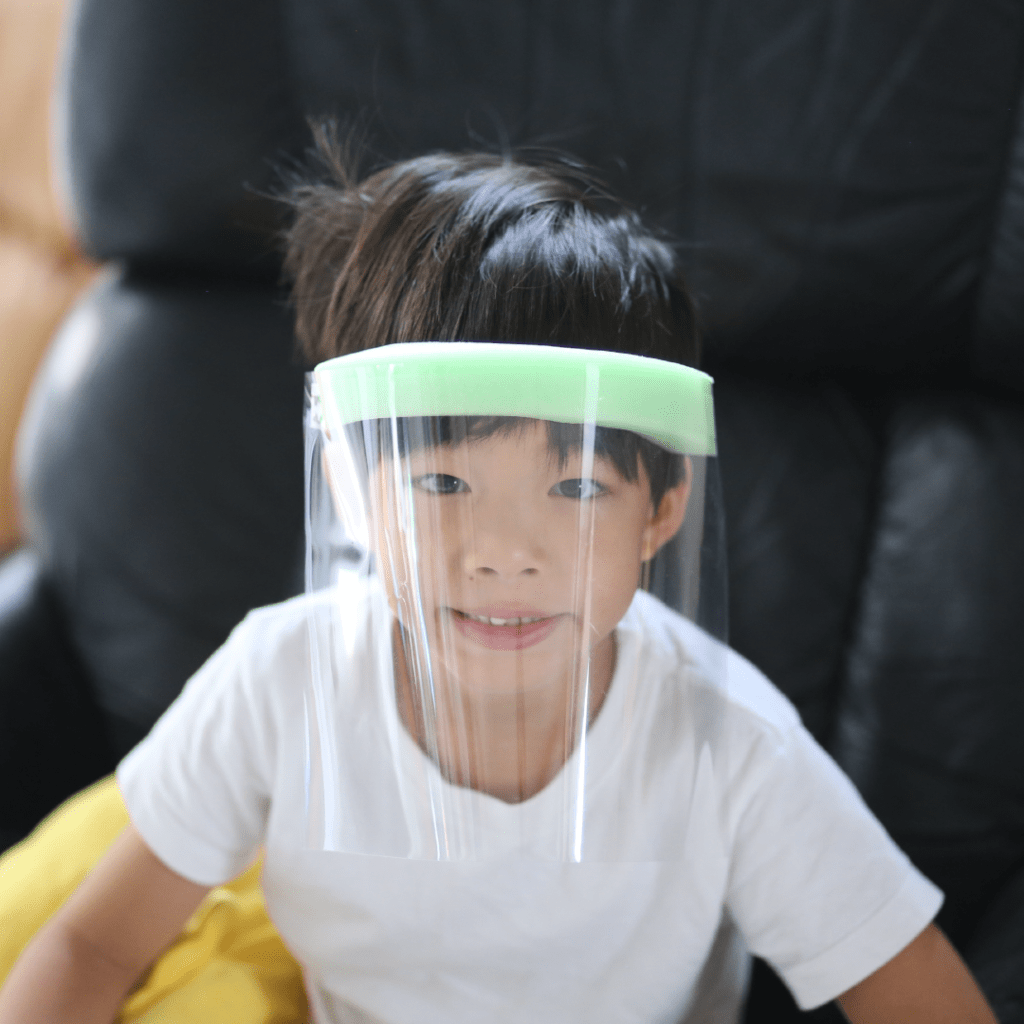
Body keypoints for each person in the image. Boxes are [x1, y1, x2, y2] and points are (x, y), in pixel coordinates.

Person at [0, 131, 999, 1024]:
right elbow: (93, 946)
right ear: (349, 491)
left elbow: (919, 995)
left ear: (662, 510)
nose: (505, 553)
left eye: (576, 486)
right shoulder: (280, 680)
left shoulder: (730, 746)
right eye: (442, 481)